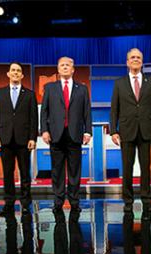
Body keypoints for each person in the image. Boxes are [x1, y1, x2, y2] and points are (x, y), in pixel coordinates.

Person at [109, 48, 151, 215]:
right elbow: (114, 109)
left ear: (142, 61)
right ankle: (128, 201)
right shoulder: (119, 83)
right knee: (127, 167)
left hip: (146, 130)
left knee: (146, 167)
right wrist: (113, 131)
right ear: (127, 62)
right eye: (132, 57)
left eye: (138, 57)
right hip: (126, 130)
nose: (135, 59)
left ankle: (147, 200)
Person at [41, 56, 92, 215]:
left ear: (73, 69)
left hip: (75, 134)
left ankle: (75, 201)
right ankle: (58, 201)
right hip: (55, 135)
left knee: (75, 170)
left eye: (67, 65)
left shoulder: (82, 88)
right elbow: (44, 111)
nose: (64, 67)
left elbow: (87, 112)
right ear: (58, 69)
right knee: (56, 171)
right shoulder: (49, 88)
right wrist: (44, 130)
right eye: (61, 65)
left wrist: (88, 131)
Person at [0, 62, 38, 215]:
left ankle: (25, 204)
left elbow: (33, 118)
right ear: (8, 74)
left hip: (24, 140)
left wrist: (33, 137)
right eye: (13, 70)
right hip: (5, 139)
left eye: (18, 71)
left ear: (22, 75)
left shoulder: (30, 94)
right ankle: (9, 203)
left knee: (25, 173)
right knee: (8, 173)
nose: (16, 73)